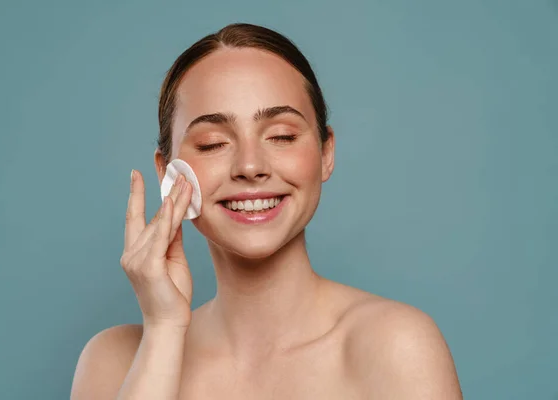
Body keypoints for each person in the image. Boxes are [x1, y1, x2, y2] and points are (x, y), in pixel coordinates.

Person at [71, 23, 463, 399]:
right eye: (212, 143)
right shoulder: (114, 361)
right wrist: (163, 329)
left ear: (326, 153)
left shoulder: (396, 347)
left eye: (281, 136)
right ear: (167, 172)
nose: (250, 166)